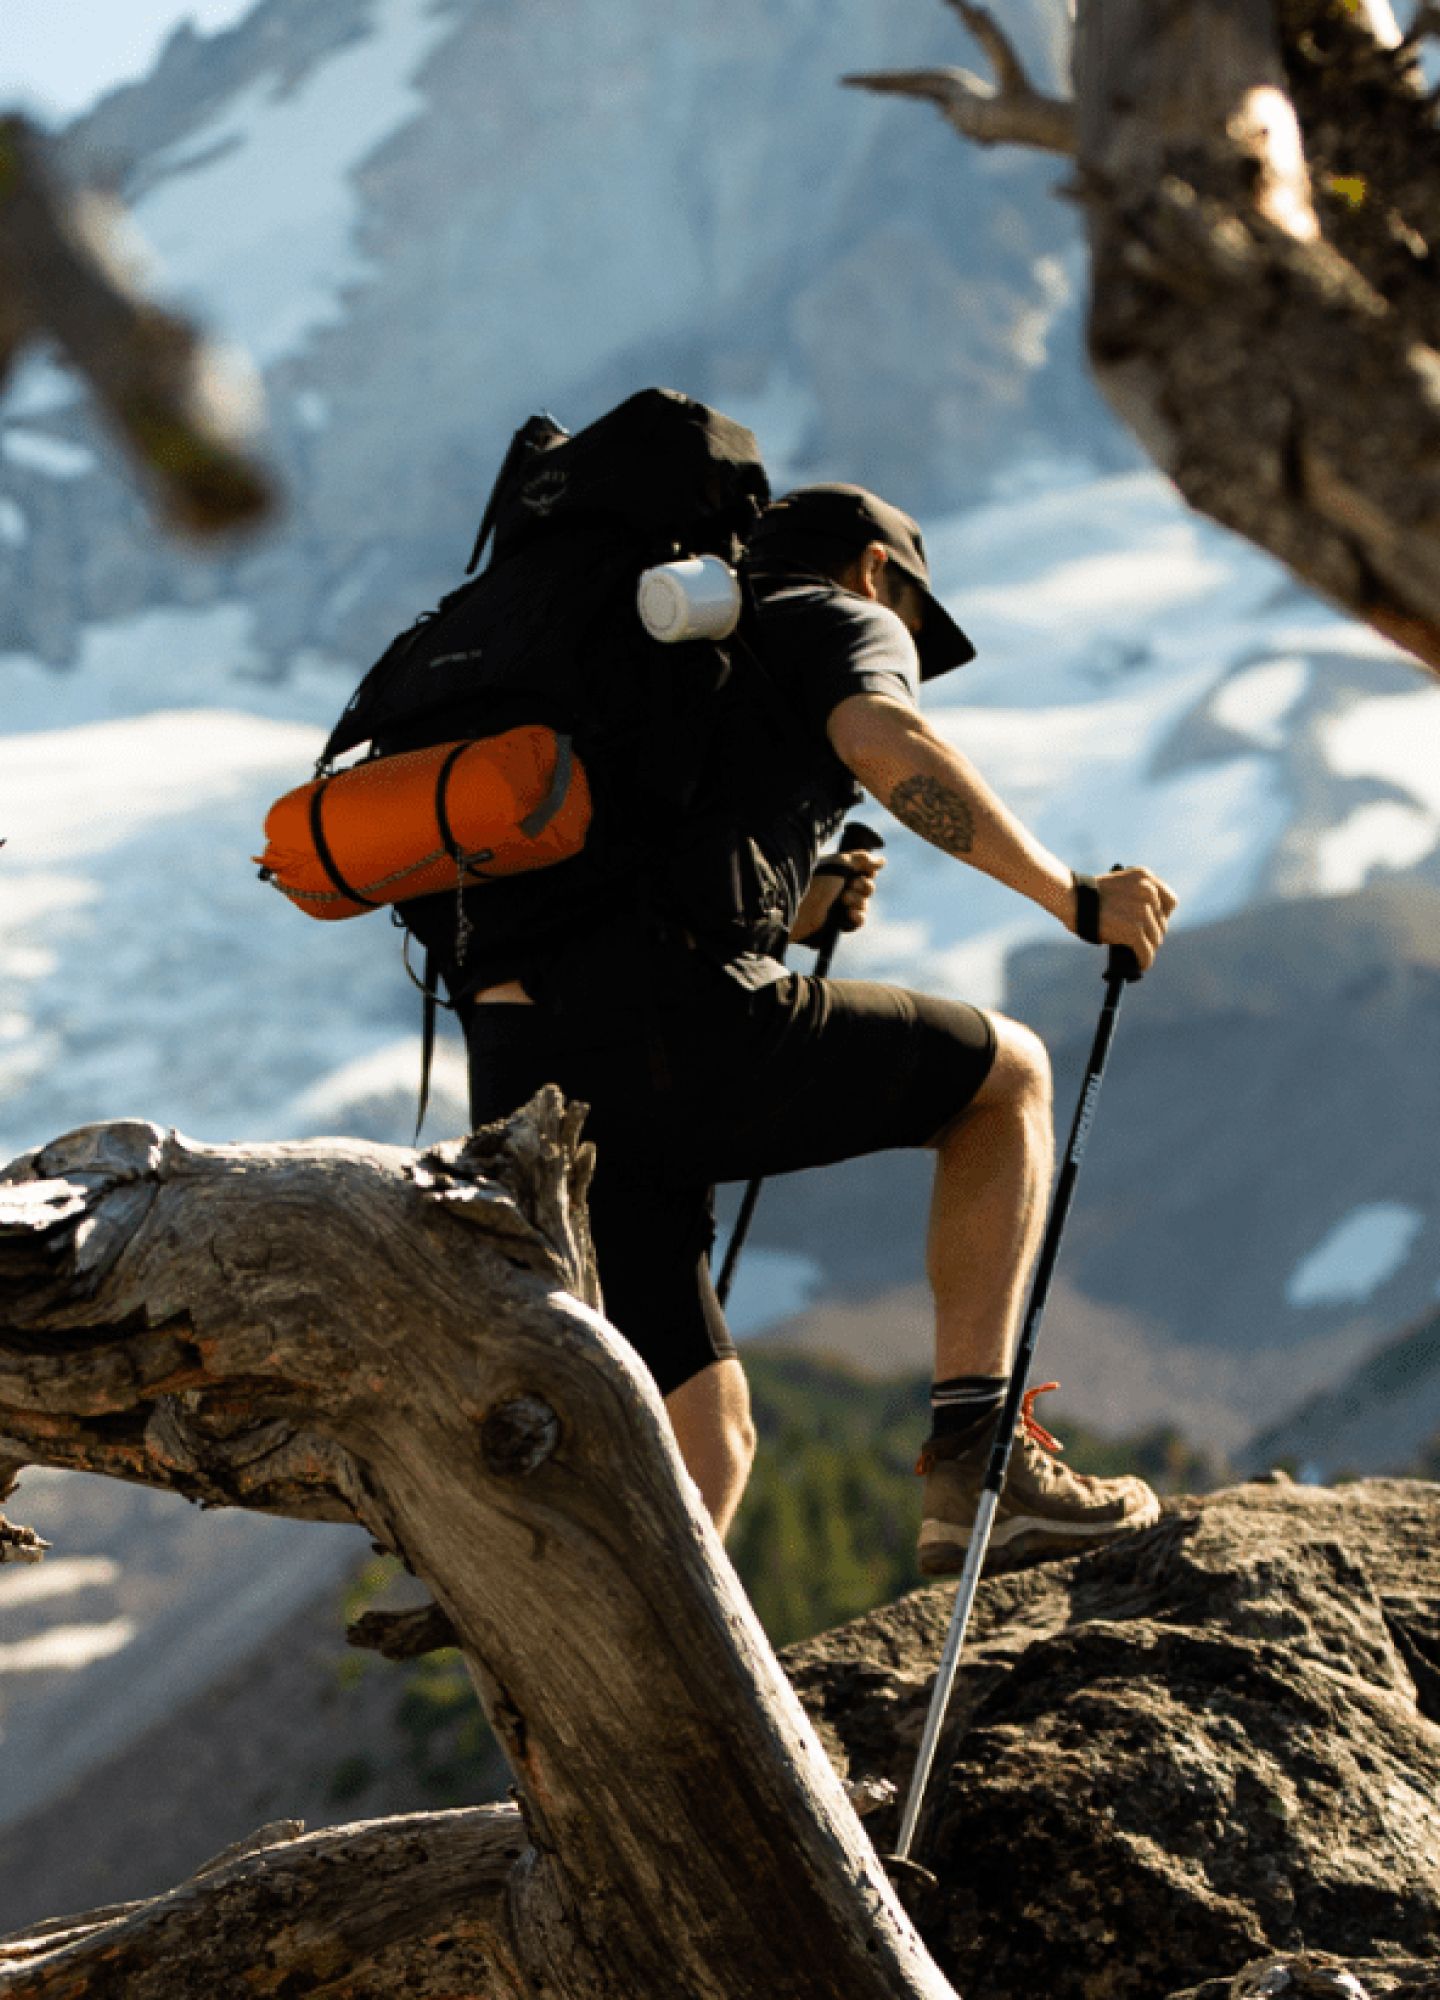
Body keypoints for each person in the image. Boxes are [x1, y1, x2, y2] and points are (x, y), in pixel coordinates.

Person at [440, 481, 1177, 1571]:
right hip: (669, 1036)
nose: (910, 649)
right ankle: (984, 1465)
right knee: (1010, 1075)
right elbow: (886, 739)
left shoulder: (646, 661)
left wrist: (791, 907)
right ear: (879, 571)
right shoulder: (836, 612)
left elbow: (631, 880)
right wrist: (1071, 895)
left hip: (525, 1082)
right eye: (918, 628)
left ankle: (643, 1710)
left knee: (705, 1441)